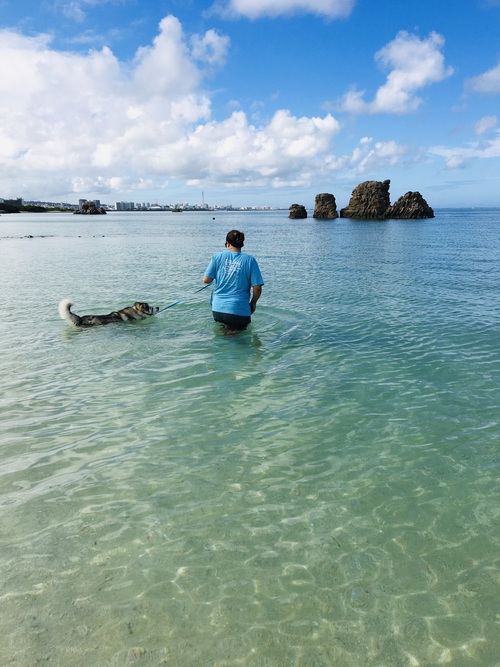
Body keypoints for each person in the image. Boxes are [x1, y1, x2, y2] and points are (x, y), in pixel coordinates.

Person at [203, 230, 264, 331]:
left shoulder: (217, 257)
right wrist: (253, 303)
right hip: (239, 310)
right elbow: (257, 288)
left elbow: (206, 280)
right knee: (240, 341)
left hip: (218, 309)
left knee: (223, 337)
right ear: (242, 244)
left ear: (227, 244)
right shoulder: (250, 260)